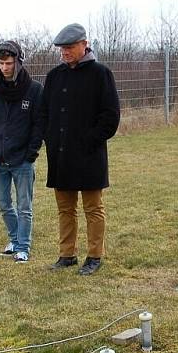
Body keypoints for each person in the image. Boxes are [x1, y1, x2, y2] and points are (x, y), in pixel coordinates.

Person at [39, 23, 120, 276]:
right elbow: (43, 114)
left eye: (70, 47)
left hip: (89, 155)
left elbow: (110, 117)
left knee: (93, 208)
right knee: (65, 209)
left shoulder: (100, 74)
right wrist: (49, 138)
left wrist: (89, 141)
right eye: (62, 48)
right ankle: (67, 255)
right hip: (61, 155)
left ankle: (95, 256)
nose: (65, 52)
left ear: (84, 44)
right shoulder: (54, 77)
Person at [0, 40, 44, 264]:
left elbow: (39, 124)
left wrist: (31, 153)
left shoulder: (34, 89)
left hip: (23, 160)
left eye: (8, 63)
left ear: (18, 62)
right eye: (0, 63)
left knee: (24, 206)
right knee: (4, 205)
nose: (4, 67)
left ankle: (23, 247)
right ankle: (14, 239)